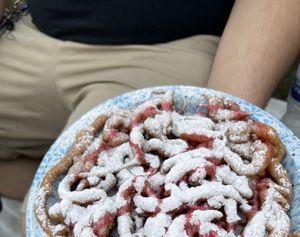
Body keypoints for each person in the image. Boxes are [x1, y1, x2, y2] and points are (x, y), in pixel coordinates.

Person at [0, 0, 299, 202]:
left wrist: (218, 127)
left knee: (65, 234)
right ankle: (71, 190)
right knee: (67, 203)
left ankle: (80, 196)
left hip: (167, 46)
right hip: (33, 34)